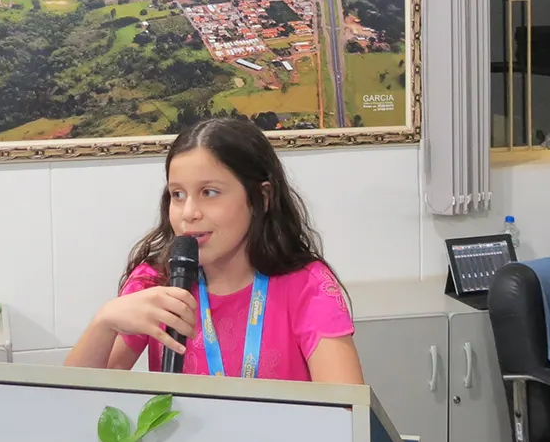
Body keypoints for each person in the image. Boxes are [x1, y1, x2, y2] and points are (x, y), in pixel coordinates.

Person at [65, 117, 364, 384]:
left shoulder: (307, 285)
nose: (189, 213)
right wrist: (104, 323)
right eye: (177, 194)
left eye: (209, 192)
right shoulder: (155, 280)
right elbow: (75, 399)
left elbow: (347, 412)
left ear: (261, 197)